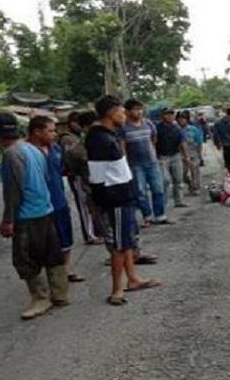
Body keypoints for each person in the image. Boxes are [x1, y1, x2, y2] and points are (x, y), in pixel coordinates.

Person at [0, 112, 69, 320]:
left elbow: (14, 191)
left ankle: (41, 298)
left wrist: (8, 220)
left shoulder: (11, 154)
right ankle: (60, 293)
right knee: (52, 253)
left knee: (25, 259)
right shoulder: (33, 149)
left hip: (27, 215)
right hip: (45, 209)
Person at [86, 96, 160, 306]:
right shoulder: (98, 138)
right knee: (119, 244)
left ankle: (133, 279)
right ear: (110, 113)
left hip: (124, 196)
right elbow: (97, 175)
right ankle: (116, 289)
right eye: (120, 111)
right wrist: (106, 200)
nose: (124, 114)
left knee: (126, 241)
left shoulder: (108, 135)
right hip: (115, 198)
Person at [28, 116, 86, 283]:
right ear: (37, 132)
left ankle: (66, 269)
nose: (54, 134)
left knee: (65, 236)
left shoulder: (55, 149)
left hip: (58, 199)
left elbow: (62, 169)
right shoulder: (27, 152)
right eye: (51, 130)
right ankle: (47, 275)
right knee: (42, 243)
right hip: (38, 204)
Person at [119, 99, 172, 227]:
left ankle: (160, 215)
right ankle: (147, 216)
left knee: (158, 189)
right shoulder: (123, 127)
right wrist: (125, 163)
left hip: (152, 162)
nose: (139, 112)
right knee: (140, 192)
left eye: (140, 109)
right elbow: (122, 146)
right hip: (135, 164)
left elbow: (154, 137)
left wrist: (152, 151)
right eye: (135, 109)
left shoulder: (148, 123)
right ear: (127, 111)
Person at [58, 111, 104, 245]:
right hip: (77, 175)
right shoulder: (68, 139)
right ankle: (89, 234)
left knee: (92, 205)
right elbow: (79, 156)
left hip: (87, 174)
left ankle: (97, 231)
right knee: (84, 206)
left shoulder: (80, 136)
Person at [156, 107, 190, 208]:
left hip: (175, 155)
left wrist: (186, 156)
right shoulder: (157, 128)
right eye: (167, 114)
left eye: (171, 114)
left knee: (178, 179)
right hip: (162, 156)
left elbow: (183, 142)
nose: (170, 116)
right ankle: (164, 203)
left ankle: (179, 201)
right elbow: (153, 141)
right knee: (165, 180)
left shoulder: (177, 128)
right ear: (162, 115)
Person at [177, 111, 203, 195]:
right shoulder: (176, 130)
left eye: (183, 118)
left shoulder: (193, 129)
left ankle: (195, 188)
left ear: (187, 120)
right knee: (182, 174)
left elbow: (199, 142)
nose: (181, 120)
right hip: (180, 154)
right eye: (179, 119)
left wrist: (199, 154)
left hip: (193, 152)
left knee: (195, 171)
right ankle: (189, 184)